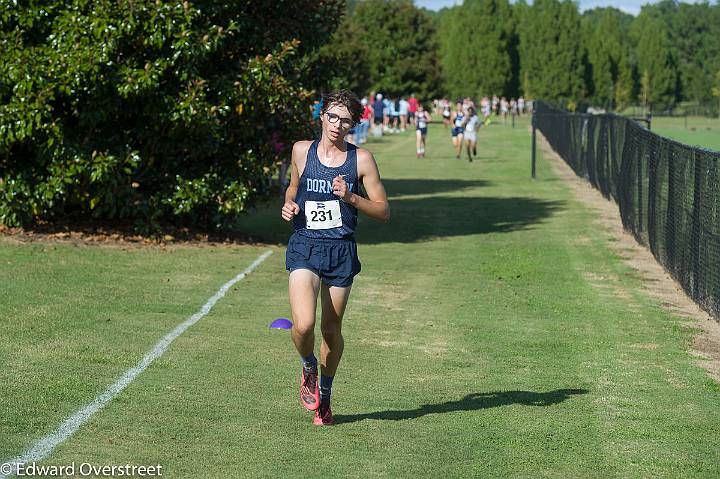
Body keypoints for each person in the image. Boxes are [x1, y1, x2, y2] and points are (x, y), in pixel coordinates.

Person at [281, 90, 390, 426]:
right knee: (303, 324)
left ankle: (325, 396)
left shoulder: (362, 160)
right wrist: (289, 203)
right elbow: (292, 186)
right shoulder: (301, 150)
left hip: (340, 250)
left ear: (352, 125)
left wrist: (352, 197)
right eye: (333, 116)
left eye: (345, 120)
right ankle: (308, 367)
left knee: (330, 330)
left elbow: (383, 210)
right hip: (305, 244)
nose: (337, 124)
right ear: (322, 116)